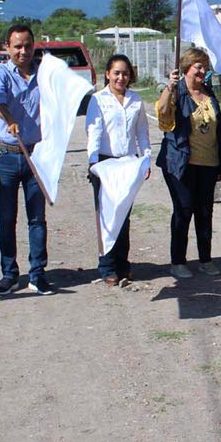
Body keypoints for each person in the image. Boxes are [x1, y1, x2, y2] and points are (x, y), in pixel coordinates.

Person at [155, 47, 221, 279]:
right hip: (180, 164)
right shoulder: (176, 92)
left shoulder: (209, 94)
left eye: (205, 66)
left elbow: (219, 130)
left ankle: (205, 259)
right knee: (183, 211)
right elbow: (163, 114)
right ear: (186, 68)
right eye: (198, 66)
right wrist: (170, 88)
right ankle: (178, 262)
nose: (203, 71)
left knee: (205, 212)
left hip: (208, 163)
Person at [0, 24, 52, 296]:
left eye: (27, 45)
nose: (23, 51)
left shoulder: (45, 74)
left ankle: (38, 273)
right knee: (7, 217)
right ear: (7, 48)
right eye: (17, 46)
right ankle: (9, 273)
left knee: (37, 219)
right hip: (6, 154)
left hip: (36, 155)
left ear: (34, 45)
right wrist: (9, 119)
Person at [85, 54, 151, 286]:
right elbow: (94, 131)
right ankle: (107, 266)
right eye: (116, 73)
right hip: (105, 164)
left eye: (125, 73)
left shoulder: (135, 99)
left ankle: (123, 264)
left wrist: (146, 159)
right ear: (107, 74)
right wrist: (93, 163)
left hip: (128, 164)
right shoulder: (98, 99)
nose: (121, 77)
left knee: (124, 216)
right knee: (106, 216)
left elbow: (142, 131)